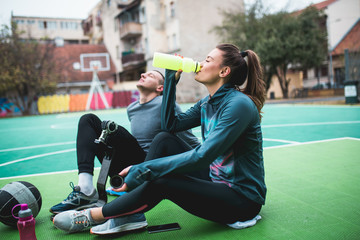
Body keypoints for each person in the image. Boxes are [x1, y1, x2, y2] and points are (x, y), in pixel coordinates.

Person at [53, 43, 267, 236]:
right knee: (164, 139)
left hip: (241, 198)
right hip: (215, 179)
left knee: (163, 180)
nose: (200, 64)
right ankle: (130, 212)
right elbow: (170, 126)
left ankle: (97, 215)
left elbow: (202, 156)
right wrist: (170, 81)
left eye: (208, 60)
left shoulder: (238, 105)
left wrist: (144, 169)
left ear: (224, 71)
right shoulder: (207, 103)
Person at [49, 70, 200, 215]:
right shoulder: (132, 108)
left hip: (151, 168)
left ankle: (133, 183)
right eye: (144, 73)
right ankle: (86, 189)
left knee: (113, 129)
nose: (143, 74)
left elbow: (187, 138)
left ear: (160, 88)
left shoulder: (166, 105)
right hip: (129, 168)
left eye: (150, 75)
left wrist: (204, 159)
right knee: (88, 120)